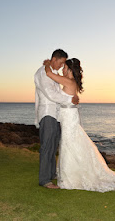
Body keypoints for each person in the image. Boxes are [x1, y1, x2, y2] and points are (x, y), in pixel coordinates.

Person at [43, 58, 115, 192]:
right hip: (68, 116)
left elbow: (49, 74)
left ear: (70, 69)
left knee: (69, 144)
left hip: (68, 118)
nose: (62, 70)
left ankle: (71, 177)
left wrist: (47, 64)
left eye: (64, 67)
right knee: (71, 143)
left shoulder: (68, 81)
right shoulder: (71, 81)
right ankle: (70, 174)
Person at [34, 49, 79, 189]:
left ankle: (51, 173)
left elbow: (57, 92)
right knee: (47, 146)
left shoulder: (52, 74)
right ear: (54, 59)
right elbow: (50, 95)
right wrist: (70, 99)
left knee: (53, 146)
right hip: (48, 113)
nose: (61, 67)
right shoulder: (42, 73)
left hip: (56, 114)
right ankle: (45, 180)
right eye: (61, 63)